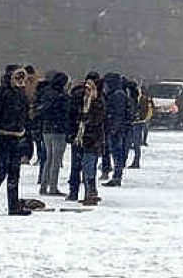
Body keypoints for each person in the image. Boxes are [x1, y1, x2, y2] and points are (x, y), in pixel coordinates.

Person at [0, 67, 32, 216]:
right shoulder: (2, 93)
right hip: (3, 136)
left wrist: (27, 136)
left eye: (22, 79)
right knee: (1, 171)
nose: (20, 81)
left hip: (17, 136)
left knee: (14, 172)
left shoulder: (21, 95)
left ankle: (13, 206)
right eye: (18, 78)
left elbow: (25, 117)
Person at [66, 72, 105, 205]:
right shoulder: (95, 100)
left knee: (82, 166)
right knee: (86, 166)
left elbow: (97, 119)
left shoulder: (96, 101)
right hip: (87, 138)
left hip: (85, 138)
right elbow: (98, 121)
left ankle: (79, 192)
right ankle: (86, 192)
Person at [37, 72, 70, 196]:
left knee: (48, 159)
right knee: (56, 160)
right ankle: (53, 187)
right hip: (58, 130)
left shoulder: (46, 93)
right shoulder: (63, 96)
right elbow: (66, 113)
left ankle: (43, 186)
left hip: (46, 129)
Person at [101, 73, 133, 186]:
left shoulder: (117, 95)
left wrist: (113, 128)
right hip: (116, 128)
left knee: (116, 153)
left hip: (115, 129)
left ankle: (117, 176)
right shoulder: (118, 94)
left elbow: (118, 114)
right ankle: (116, 175)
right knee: (116, 153)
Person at [128, 79, 151, 170]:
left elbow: (144, 110)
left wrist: (139, 118)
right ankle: (135, 161)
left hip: (137, 123)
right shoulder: (142, 97)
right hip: (138, 122)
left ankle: (135, 161)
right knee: (135, 143)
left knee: (135, 143)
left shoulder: (141, 98)